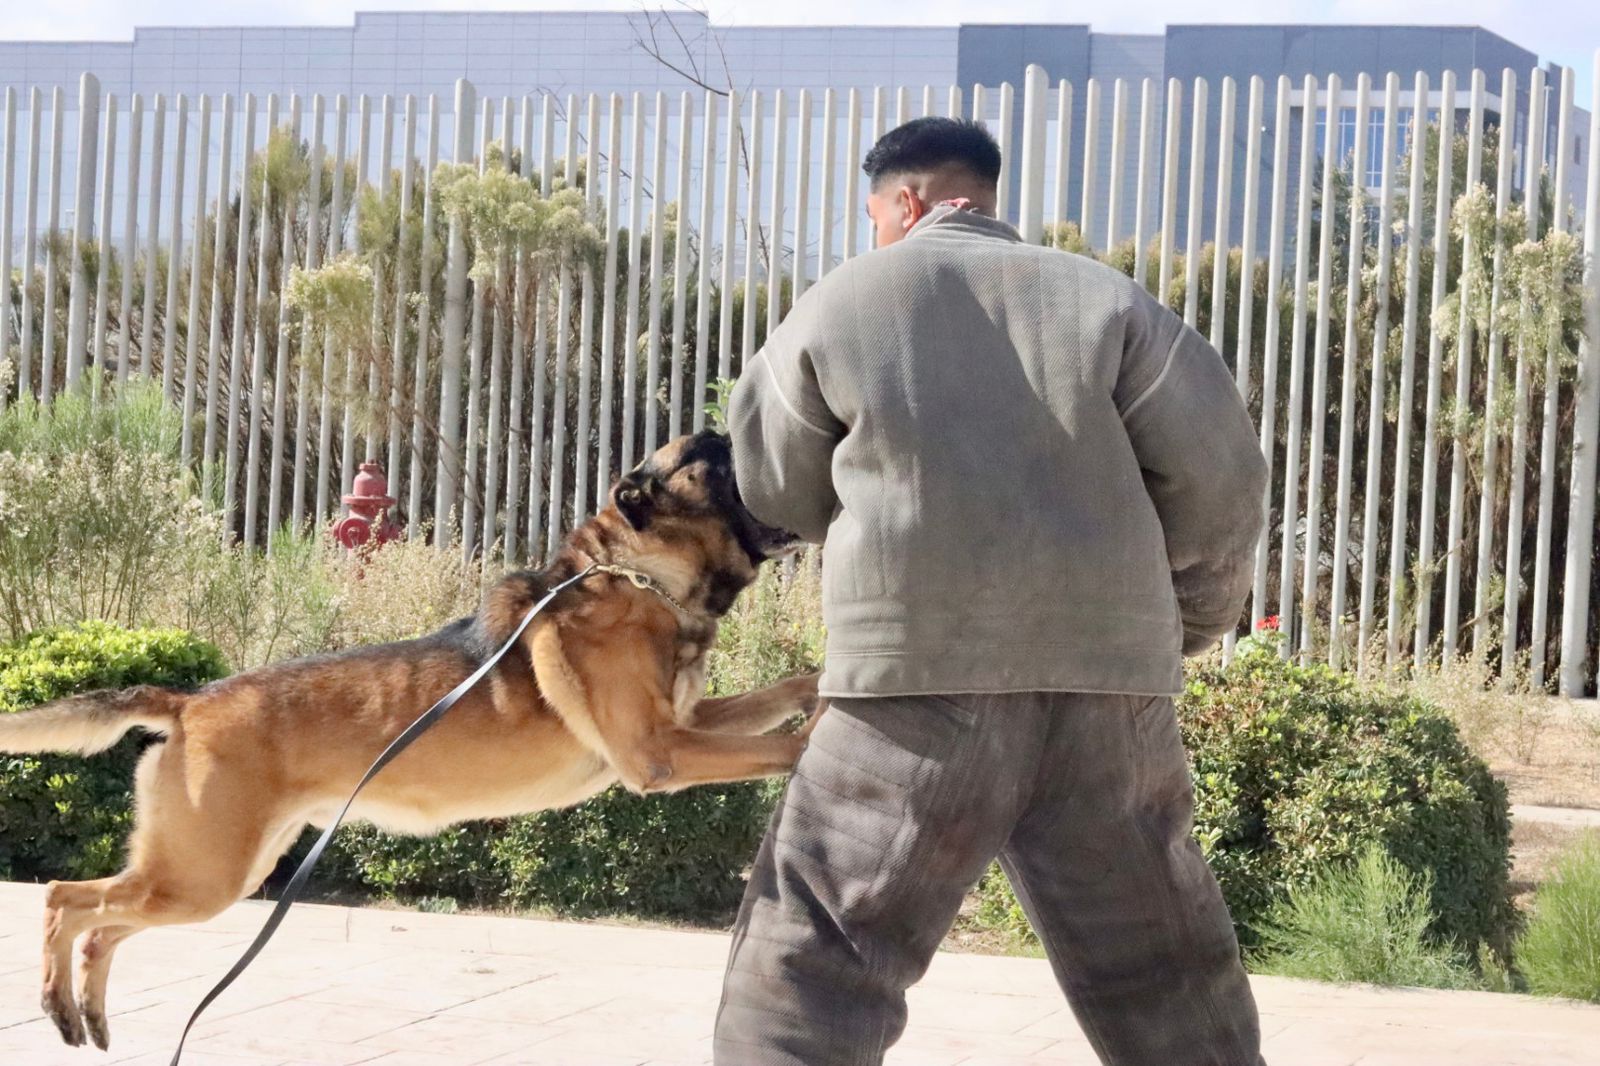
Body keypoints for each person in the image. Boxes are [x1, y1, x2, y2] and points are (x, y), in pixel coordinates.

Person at [716, 115, 1269, 1066]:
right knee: (1169, 979)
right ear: (985, 197)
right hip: (1112, 696)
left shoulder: (843, 301)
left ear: (906, 202)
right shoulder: (1111, 303)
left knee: (814, 963)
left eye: (874, 215)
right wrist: (1177, 629)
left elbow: (771, 482)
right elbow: (1224, 482)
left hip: (909, 692)